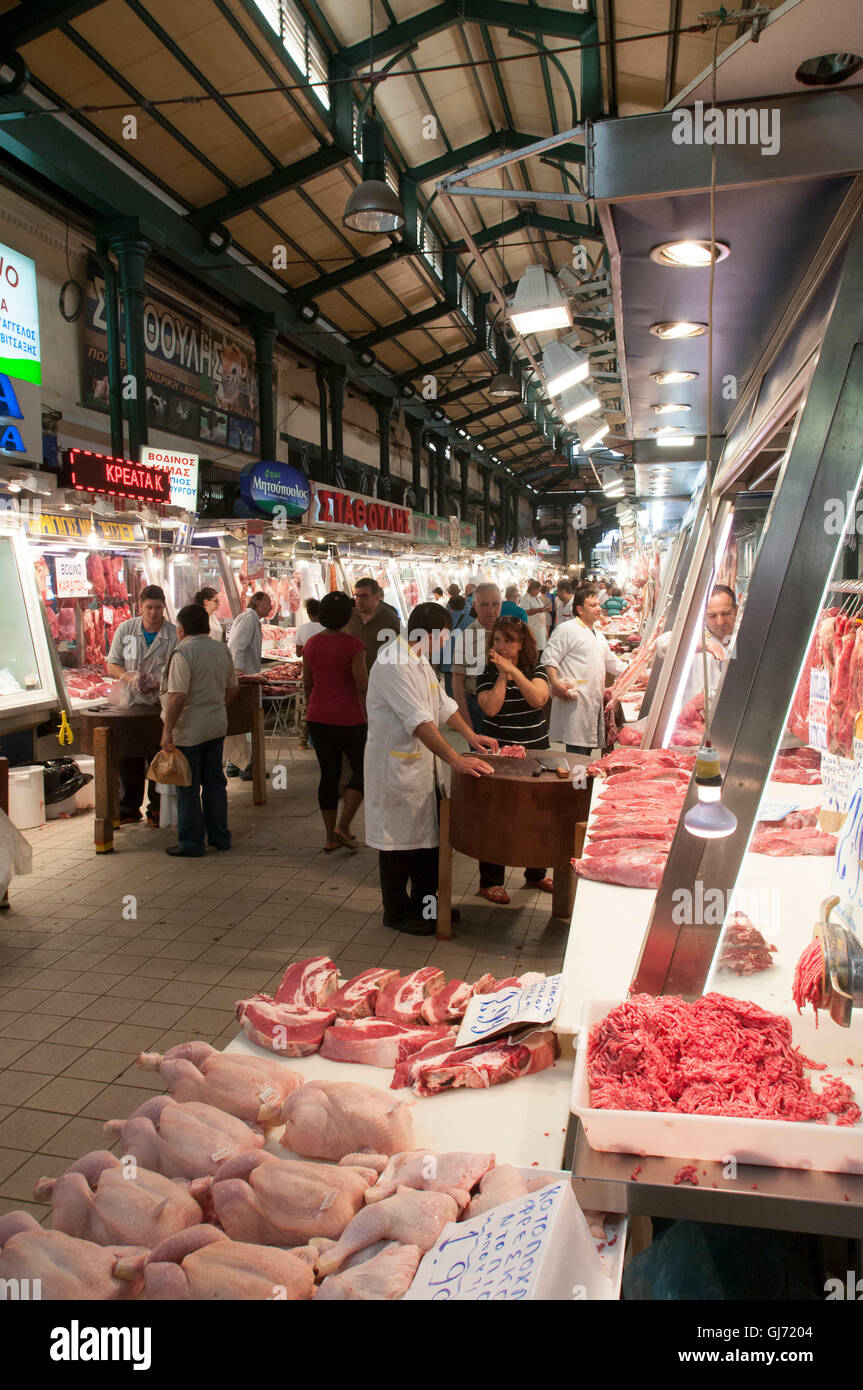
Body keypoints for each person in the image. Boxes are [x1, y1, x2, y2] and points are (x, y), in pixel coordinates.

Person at [364, 602, 498, 935]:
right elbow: (420, 722)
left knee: (428, 845)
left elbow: (442, 705)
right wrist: (456, 759)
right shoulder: (393, 662)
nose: (445, 643)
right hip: (396, 769)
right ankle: (396, 912)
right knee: (399, 848)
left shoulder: (419, 658)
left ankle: (427, 908)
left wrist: (471, 735)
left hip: (421, 768)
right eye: (444, 637)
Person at [474, 617, 553, 903]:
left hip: (535, 755)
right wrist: (502, 675)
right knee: (497, 817)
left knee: (536, 814)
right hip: (498, 758)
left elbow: (538, 700)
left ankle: (535, 873)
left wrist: (515, 672)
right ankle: (490, 881)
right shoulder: (485, 673)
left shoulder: (537, 670)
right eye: (497, 641)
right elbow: (491, 709)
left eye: (508, 641)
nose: (502, 646)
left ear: (521, 645)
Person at [159, 603, 238, 858]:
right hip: (215, 726)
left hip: (189, 731)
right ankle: (220, 837)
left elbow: (177, 697)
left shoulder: (183, 653)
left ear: (180, 630)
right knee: (215, 782)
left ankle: (192, 843)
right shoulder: (221, 649)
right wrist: (216, 705)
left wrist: (167, 730)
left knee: (188, 786)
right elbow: (233, 687)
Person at [106, 584, 178, 826]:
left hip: (160, 705)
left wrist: (161, 682)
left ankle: (157, 809)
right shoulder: (126, 629)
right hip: (131, 704)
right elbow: (112, 664)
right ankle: (128, 808)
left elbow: (179, 668)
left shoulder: (174, 633)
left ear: (163, 607)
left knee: (158, 756)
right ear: (140, 607)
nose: (153, 613)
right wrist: (129, 678)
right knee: (129, 757)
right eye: (148, 607)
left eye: (158, 607)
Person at [303, 591, 368, 853]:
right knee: (362, 771)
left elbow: (308, 684)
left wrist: (313, 706)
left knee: (328, 775)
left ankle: (330, 837)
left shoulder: (311, 644)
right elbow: (363, 684)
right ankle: (344, 825)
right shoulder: (354, 646)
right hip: (350, 717)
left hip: (318, 716)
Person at [541, 584, 626, 754]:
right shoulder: (566, 629)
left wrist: (637, 672)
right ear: (579, 609)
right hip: (575, 701)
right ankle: (575, 781)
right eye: (593, 605)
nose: (598, 608)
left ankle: (581, 780)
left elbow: (612, 663)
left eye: (598, 604)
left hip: (592, 699)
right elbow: (549, 659)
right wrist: (556, 683)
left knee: (586, 753)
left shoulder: (597, 633)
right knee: (577, 756)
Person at [225, 591, 273, 780]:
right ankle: (246, 767)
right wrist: (238, 673)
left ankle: (234, 765)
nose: (270, 607)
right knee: (246, 723)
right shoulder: (248, 619)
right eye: (268, 603)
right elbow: (237, 645)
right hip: (245, 679)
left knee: (241, 723)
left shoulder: (252, 619)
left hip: (247, 677)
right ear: (258, 602)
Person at [451, 581, 501, 731]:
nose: (490, 610)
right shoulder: (467, 637)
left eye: (495, 604)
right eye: (484, 605)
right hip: (478, 707)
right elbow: (457, 681)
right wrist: (466, 721)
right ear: (475, 605)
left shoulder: (511, 631)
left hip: (508, 705)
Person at [346, 576, 401, 670]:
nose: (359, 600)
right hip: (353, 677)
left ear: (377, 596)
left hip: (381, 676)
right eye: (356, 596)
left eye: (364, 596)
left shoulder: (390, 619)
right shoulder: (349, 618)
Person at [439, 592, 474, 698]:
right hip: (465, 665)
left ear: (449, 605)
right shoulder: (470, 621)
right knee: (466, 695)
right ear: (465, 606)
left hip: (447, 664)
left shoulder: (442, 620)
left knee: (451, 696)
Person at [521, 580, 550, 654]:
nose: (538, 592)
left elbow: (540, 607)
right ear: (533, 589)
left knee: (541, 646)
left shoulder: (536, 597)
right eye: (538, 590)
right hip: (533, 627)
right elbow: (526, 611)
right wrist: (539, 610)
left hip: (540, 626)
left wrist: (544, 608)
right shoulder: (526, 598)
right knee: (535, 647)